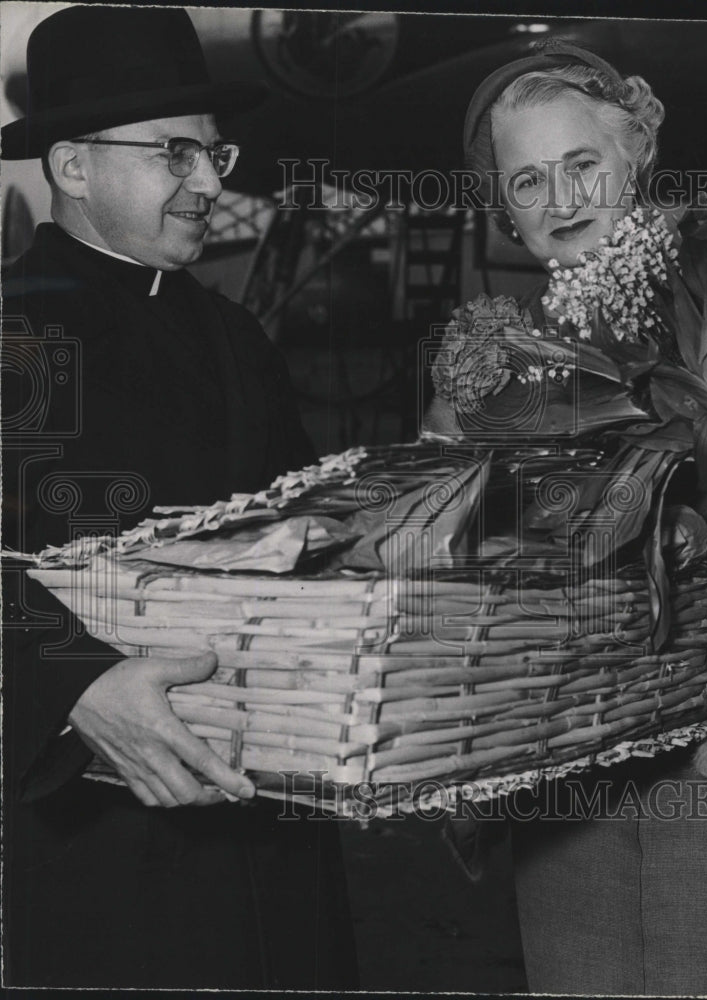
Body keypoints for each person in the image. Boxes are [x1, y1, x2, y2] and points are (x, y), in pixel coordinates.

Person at [425, 38, 707, 997]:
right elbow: (441, 561)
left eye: (583, 164)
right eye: (528, 180)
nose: (561, 200)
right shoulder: (496, 363)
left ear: (639, 151)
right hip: (563, 770)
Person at [1, 7, 357, 989]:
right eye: (175, 154)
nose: (209, 183)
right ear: (73, 167)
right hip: (92, 843)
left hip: (274, 824)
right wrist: (71, 685)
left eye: (213, 154)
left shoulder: (237, 337)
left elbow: (306, 529)